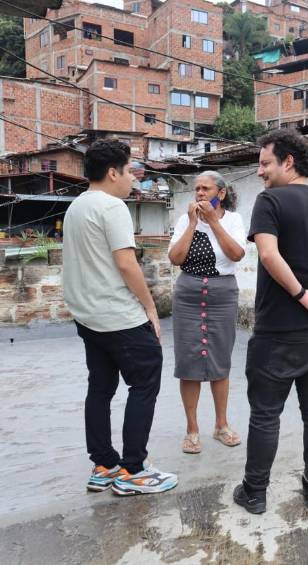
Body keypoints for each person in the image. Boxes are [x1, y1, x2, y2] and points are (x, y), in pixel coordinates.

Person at [233, 129, 308, 515]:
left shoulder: (269, 201)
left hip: (279, 329)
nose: (259, 172)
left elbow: (268, 255)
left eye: (265, 163)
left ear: (288, 162)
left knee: (266, 413)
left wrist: (303, 296)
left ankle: (255, 493)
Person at [62, 140, 177, 496]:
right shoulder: (112, 207)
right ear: (113, 173)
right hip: (119, 317)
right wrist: (150, 307)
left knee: (100, 388)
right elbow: (126, 263)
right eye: (129, 172)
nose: (133, 179)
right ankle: (133, 470)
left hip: (88, 317)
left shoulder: (76, 207)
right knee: (144, 384)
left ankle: (104, 465)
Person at [168, 171, 246, 454]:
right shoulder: (183, 220)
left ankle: (221, 425)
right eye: (196, 189)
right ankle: (192, 430)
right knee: (188, 362)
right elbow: (176, 259)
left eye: (205, 188)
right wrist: (192, 224)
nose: (199, 193)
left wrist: (213, 223)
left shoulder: (233, 220)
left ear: (220, 194)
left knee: (219, 360)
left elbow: (237, 254)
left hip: (222, 294)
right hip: (188, 294)